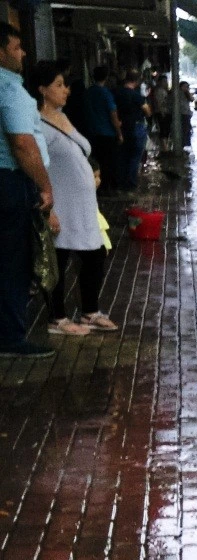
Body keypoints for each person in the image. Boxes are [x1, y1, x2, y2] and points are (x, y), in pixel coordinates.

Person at [32, 62, 113, 336]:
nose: (66, 89)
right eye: (58, 85)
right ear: (42, 90)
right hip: (60, 203)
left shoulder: (63, 115)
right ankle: (57, 318)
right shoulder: (36, 123)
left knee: (94, 254)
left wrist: (93, 172)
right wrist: (48, 209)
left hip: (84, 205)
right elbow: (36, 165)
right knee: (59, 258)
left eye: (65, 84)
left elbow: (78, 153)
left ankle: (90, 311)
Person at [0, 22, 56, 357]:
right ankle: (10, 337)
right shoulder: (8, 89)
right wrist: (45, 187)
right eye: (17, 47)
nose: (23, 53)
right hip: (10, 182)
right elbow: (22, 144)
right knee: (13, 262)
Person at [82, 67, 121, 193]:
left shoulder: (88, 92)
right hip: (107, 134)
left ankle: (99, 188)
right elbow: (113, 114)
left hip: (92, 133)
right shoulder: (106, 93)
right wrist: (119, 133)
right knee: (109, 163)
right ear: (106, 77)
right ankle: (108, 188)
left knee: (96, 161)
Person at [112, 69, 149, 191]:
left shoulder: (115, 92)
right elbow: (147, 111)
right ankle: (131, 184)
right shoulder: (136, 95)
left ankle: (120, 183)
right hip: (135, 128)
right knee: (134, 157)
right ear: (137, 81)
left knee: (122, 156)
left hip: (120, 127)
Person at [150, 75, 171, 153]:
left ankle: (165, 147)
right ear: (159, 82)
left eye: (166, 81)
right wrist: (162, 112)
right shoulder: (159, 91)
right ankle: (165, 148)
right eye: (164, 81)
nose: (165, 83)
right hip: (161, 112)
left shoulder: (164, 90)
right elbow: (158, 103)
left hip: (165, 112)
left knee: (166, 130)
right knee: (163, 130)